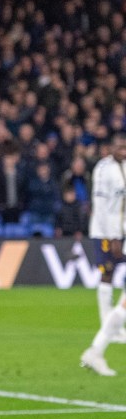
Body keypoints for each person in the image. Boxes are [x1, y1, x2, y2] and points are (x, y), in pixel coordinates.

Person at [80, 133, 126, 375]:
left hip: (123, 232)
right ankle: (98, 346)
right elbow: (101, 206)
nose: (123, 150)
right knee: (107, 276)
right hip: (107, 233)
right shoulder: (103, 169)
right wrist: (112, 236)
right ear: (110, 148)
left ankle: (97, 350)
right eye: (119, 146)